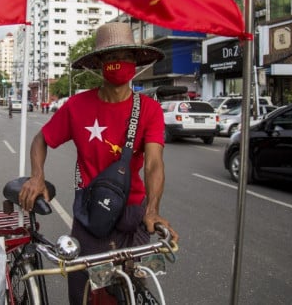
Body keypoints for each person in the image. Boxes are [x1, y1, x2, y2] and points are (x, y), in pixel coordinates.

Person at [18, 23, 179, 304]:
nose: (119, 63)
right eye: (110, 57)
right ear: (99, 64)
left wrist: (152, 211)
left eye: (127, 57)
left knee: (131, 291)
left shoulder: (149, 109)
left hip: (133, 217)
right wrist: (37, 176)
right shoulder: (76, 106)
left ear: (136, 63)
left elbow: (154, 163)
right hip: (89, 218)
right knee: (81, 294)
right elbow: (40, 140)